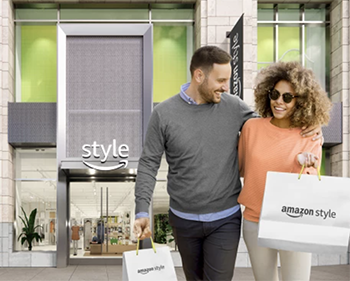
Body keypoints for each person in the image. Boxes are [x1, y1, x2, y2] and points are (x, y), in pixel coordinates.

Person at [133, 46, 322, 281]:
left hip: (225, 219)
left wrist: (311, 124)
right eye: (221, 80)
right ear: (199, 76)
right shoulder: (163, 114)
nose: (226, 86)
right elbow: (149, 163)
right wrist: (142, 209)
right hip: (183, 219)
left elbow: (273, 128)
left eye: (228, 80)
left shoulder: (234, 107)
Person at [238, 61, 332, 281]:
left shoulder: (310, 135)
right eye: (275, 94)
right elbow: (241, 169)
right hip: (255, 220)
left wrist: (305, 164)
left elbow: (310, 181)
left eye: (288, 97)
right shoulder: (251, 128)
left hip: (294, 220)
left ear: (301, 101)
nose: (279, 102)